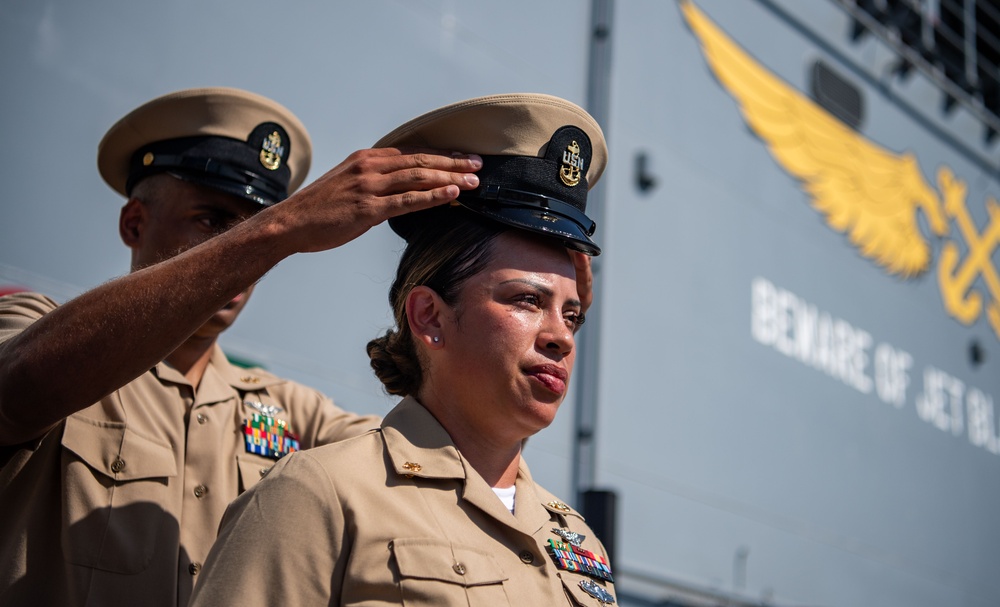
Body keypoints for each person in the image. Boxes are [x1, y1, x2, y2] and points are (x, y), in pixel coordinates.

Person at [0, 86, 487, 607]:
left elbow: (446, 458)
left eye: (252, 223)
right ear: (134, 223)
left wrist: (525, 290)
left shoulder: (289, 412)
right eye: (211, 221)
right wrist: (277, 229)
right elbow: (23, 384)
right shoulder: (32, 327)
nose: (244, 252)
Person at [188, 93, 617, 607]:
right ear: (429, 317)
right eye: (527, 299)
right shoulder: (321, 495)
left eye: (572, 315)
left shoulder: (578, 545)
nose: (562, 337)